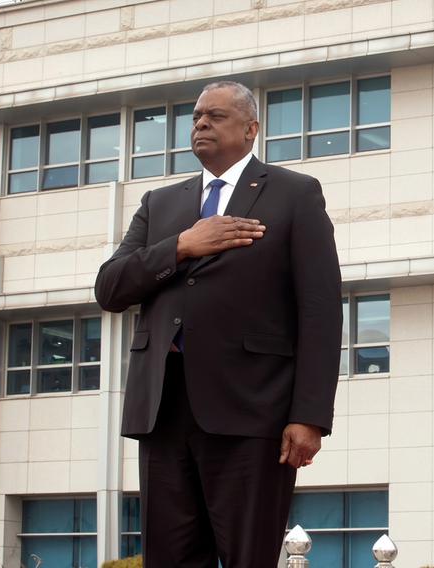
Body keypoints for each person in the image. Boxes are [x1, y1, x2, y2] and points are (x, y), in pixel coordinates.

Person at [95, 81, 342, 568]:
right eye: (195, 117)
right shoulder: (160, 204)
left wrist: (309, 415)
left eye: (215, 116)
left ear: (251, 129)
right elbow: (110, 288)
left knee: (247, 556)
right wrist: (183, 245)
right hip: (163, 410)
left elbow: (320, 310)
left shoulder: (294, 194)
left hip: (253, 411)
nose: (201, 123)